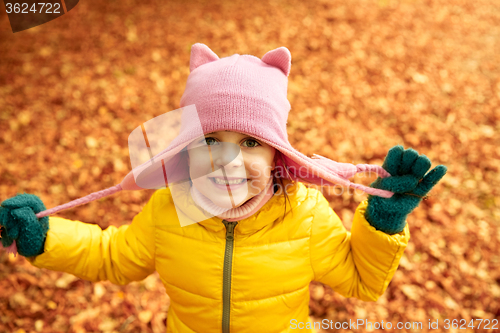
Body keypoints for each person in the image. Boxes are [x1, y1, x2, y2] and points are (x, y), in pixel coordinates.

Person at [0, 43, 447, 333]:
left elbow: (362, 281)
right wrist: (46, 238)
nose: (228, 161)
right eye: (210, 140)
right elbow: (113, 255)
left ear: (277, 156)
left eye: (251, 142)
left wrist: (384, 221)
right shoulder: (168, 209)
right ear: (185, 150)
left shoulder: (303, 214)